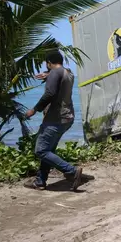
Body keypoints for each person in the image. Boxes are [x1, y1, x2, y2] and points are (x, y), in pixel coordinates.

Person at [24, 50, 84, 191]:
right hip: (67, 117)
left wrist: (34, 109)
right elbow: (60, 79)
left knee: (41, 150)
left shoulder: (55, 73)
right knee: (48, 149)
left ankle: (72, 171)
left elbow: (50, 93)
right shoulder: (68, 73)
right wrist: (48, 75)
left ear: (48, 63)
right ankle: (40, 181)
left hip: (55, 119)